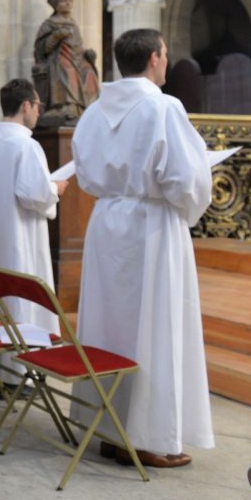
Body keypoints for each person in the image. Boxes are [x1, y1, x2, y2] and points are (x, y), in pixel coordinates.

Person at [71, 29, 213, 469]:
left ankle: (112, 430)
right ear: (153, 58)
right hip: (152, 226)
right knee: (154, 327)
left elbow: (85, 172)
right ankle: (149, 437)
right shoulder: (162, 107)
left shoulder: (94, 112)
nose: (166, 63)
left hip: (107, 221)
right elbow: (185, 180)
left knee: (110, 327)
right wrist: (190, 205)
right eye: (166, 55)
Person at [0, 78, 68, 394]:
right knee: (16, 300)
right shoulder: (26, 145)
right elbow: (33, 194)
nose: (38, 113)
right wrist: (55, 189)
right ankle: (14, 375)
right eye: (37, 106)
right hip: (17, 239)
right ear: (26, 106)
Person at [32, 0, 100, 125]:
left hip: (77, 58)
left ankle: (88, 108)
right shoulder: (49, 24)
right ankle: (66, 107)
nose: (68, 3)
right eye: (64, 1)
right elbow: (41, 49)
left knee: (89, 71)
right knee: (67, 70)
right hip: (58, 58)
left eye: (70, 0)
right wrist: (56, 36)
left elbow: (78, 47)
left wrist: (88, 53)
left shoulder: (73, 23)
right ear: (56, 5)